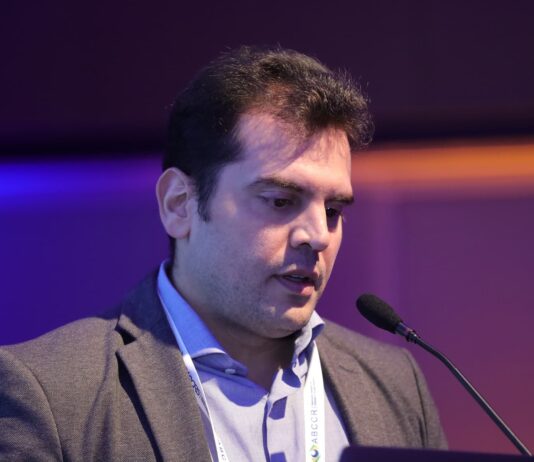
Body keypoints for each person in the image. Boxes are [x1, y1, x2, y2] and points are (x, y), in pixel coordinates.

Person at [0, 46, 447, 461]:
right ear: (179, 205)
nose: (318, 236)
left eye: (333, 210)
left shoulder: (395, 385)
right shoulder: (50, 393)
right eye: (280, 201)